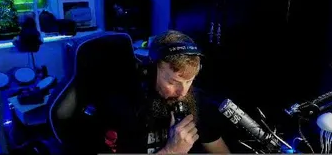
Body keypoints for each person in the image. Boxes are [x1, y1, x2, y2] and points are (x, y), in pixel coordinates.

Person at [84, 31, 230, 153]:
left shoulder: (197, 100)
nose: (183, 93)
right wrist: (170, 151)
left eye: (189, 81)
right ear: (151, 72)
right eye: (172, 82)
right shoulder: (121, 106)